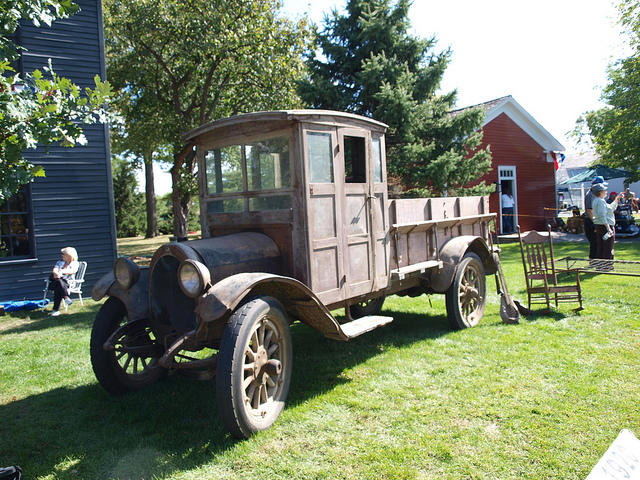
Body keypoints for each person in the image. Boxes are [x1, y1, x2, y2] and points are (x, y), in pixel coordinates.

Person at [591, 183, 624, 267]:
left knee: (601, 246)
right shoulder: (600, 201)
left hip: (600, 225)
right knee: (608, 247)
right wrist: (608, 228)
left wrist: (617, 198)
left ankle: (600, 265)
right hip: (604, 226)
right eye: (604, 190)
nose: (606, 192)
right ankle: (607, 266)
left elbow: (611, 208)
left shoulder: (598, 200)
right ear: (600, 192)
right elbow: (602, 215)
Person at [48, 247, 79, 316]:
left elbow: (72, 271)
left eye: (64, 254)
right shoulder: (60, 262)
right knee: (59, 282)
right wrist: (56, 273)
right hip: (54, 283)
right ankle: (66, 297)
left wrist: (61, 273)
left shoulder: (75, 264)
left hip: (68, 283)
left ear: (69, 255)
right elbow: (54, 270)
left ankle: (56, 310)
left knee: (58, 287)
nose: (62, 255)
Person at [583, 176, 606, 260]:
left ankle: (597, 261)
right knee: (594, 243)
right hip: (591, 222)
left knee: (598, 243)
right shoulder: (591, 196)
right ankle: (593, 261)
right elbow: (590, 210)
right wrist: (596, 223)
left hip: (594, 221)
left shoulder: (594, 196)